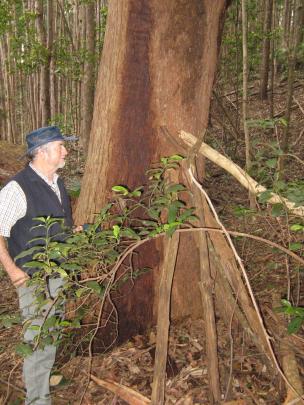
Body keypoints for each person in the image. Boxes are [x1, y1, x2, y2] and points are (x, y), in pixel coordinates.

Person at [0, 126, 77, 405]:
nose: (65, 151)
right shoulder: (17, 188)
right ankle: (37, 400)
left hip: (58, 274)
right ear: (42, 152)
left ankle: (44, 381)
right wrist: (12, 270)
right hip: (33, 279)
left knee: (51, 332)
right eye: (60, 146)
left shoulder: (56, 182)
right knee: (37, 340)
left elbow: (56, 225)